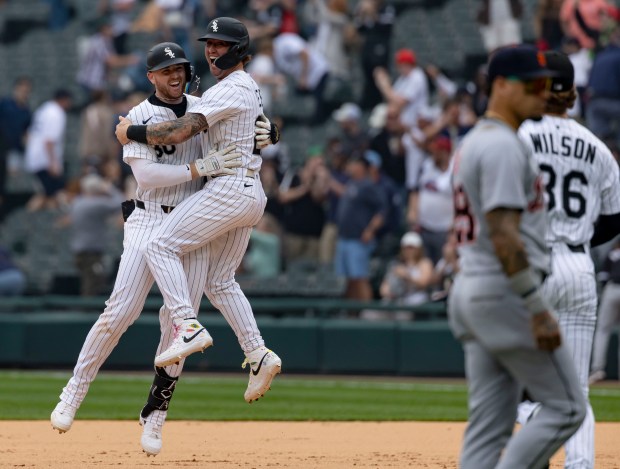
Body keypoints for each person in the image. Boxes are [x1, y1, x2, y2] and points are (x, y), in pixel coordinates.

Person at [50, 41, 272, 456]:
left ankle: (155, 418)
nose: (175, 75)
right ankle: (73, 393)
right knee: (120, 312)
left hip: (194, 218)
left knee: (178, 329)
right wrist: (196, 168)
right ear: (151, 76)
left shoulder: (203, 101)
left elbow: (244, 122)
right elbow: (148, 176)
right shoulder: (137, 115)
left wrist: (268, 131)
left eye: (181, 68)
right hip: (149, 215)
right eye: (166, 70)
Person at [115, 17, 282, 411]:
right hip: (248, 191)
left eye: (221, 44)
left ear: (238, 49)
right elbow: (252, 126)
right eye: (209, 43)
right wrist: (272, 132)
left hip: (229, 187)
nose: (211, 49)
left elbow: (180, 131)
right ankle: (258, 354)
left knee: (159, 244)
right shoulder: (242, 87)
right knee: (220, 281)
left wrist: (131, 133)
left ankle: (187, 325)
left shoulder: (235, 85)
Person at [448, 45, 586, 468]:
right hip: (504, 291)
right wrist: (536, 306)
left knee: (489, 425)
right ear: (501, 86)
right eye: (532, 85)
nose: (542, 93)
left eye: (546, 85)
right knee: (568, 409)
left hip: (471, 289)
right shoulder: (503, 146)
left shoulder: (474, 142)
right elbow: (505, 235)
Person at [516, 50, 620, 469]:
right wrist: (577, 237)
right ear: (573, 93)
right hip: (579, 268)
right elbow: (615, 219)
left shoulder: (518, 135)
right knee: (577, 391)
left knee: (518, 387)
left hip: (532, 265)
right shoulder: (597, 146)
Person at [24, 89, 73, 211]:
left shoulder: (44, 109)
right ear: (64, 100)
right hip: (44, 159)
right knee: (50, 192)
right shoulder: (57, 113)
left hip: (34, 156)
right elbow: (49, 141)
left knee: (50, 193)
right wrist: (53, 163)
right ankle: (30, 215)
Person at [590, 239, 620, 384]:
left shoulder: (612, 252)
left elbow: (603, 275)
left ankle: (597, 369)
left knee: (603, 330)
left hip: (612, 288)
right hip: (613, 286)